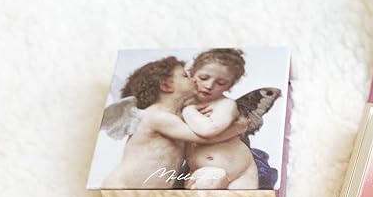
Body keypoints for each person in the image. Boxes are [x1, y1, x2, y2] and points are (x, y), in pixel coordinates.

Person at [102, 56, 241, 189]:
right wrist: (237, 129)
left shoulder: (175, 116)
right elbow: (205, 137)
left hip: (148, 192)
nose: (193, 79)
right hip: (122, 187)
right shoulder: (157, 116)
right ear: (167, 85)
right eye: (185, 76)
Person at [181, 49, 260, 189]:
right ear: (191, 74)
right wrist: (236, 130)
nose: (209, 86)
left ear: (230, 86)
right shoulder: (180, 102)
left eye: (221, 82)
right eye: (204, 78)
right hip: (204, 173)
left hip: (242, 173)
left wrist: (188, 111)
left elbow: (208, 130)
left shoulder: (226, 105)